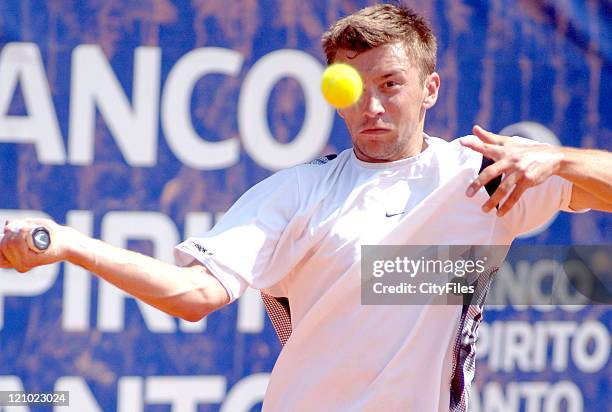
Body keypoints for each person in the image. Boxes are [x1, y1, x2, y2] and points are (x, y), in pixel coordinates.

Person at [1, 3, 611, 411]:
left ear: (429, 90)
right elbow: (192, 296)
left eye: (391, 84)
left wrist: (559, 160)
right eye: (353, 88)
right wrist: (70, 242)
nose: (371, 106)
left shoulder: (484, 179)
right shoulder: (299, 193)